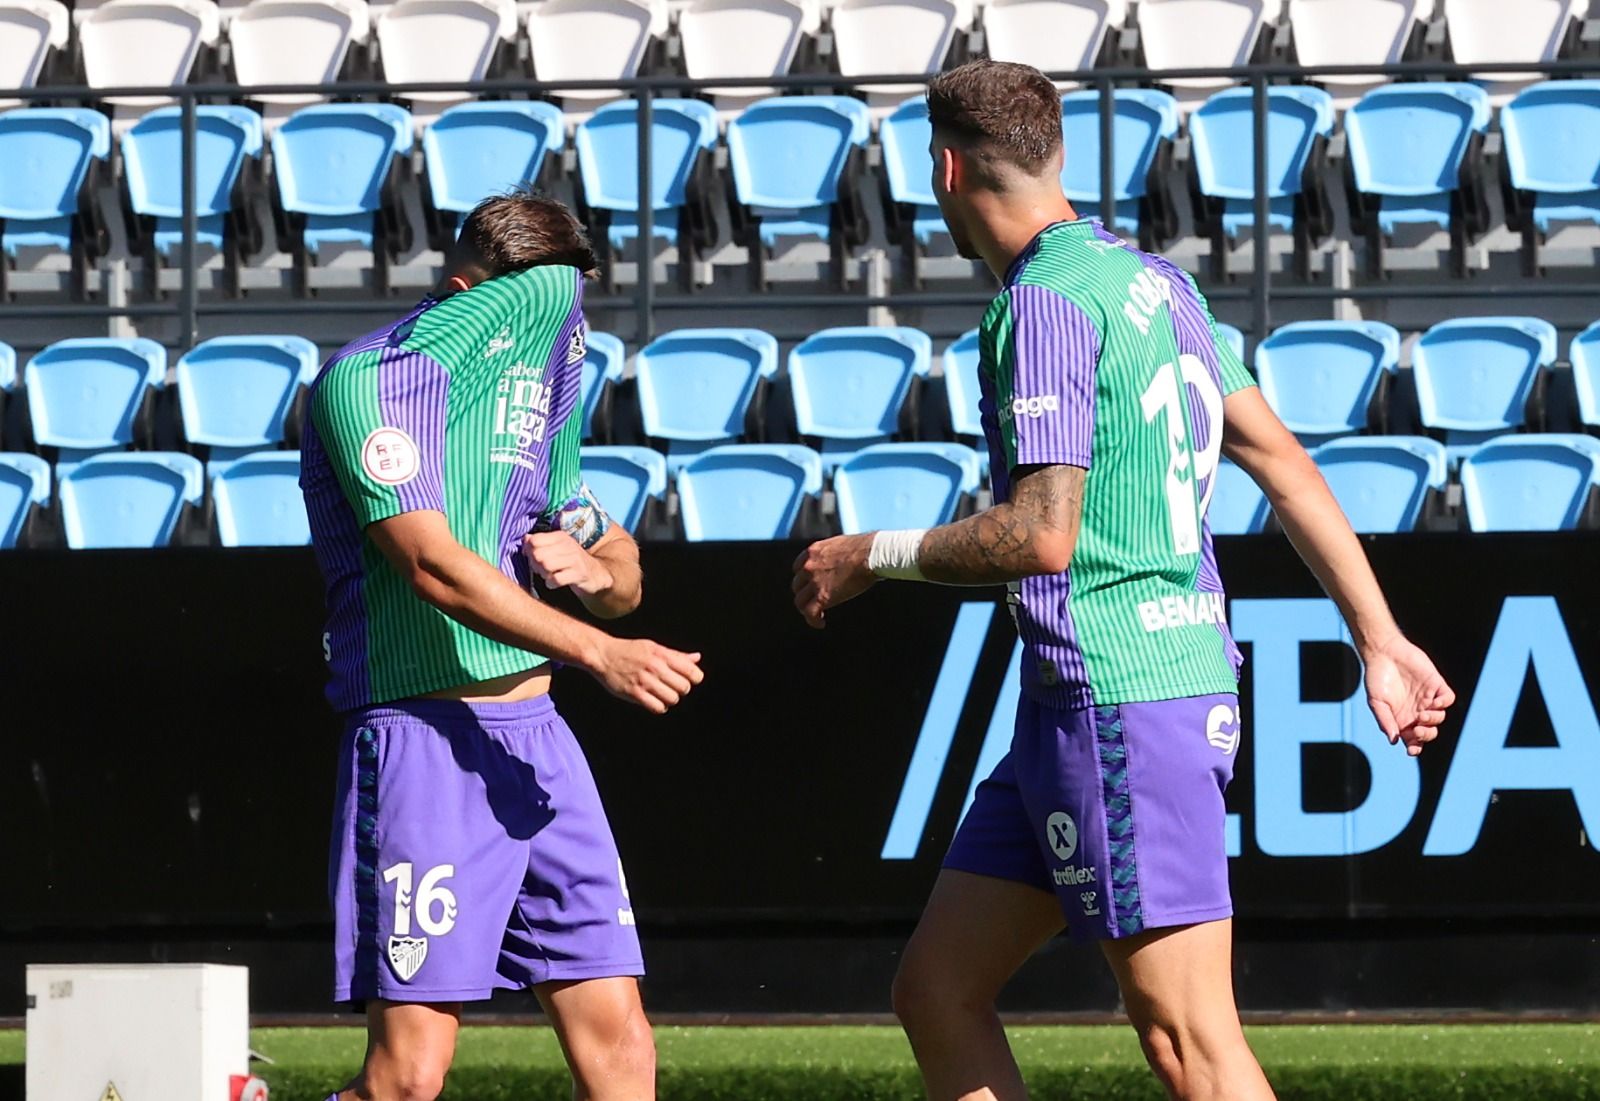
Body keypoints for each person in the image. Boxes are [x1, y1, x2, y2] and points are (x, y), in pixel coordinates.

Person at [792, 60, 1455, 1101]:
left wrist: (869, 554)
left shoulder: (1044, 304)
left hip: (1118, 695)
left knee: (1188, 1039)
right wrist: (1379, 636)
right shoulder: (1155, 283)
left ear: (947, 166)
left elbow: (1040, 537)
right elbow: (1282, 461)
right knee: (937, 987)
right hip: (1097, 696)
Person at [301, 189, 703, 1101]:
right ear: (462, 291)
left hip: (541, 743)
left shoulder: (532, 401)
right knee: (406, 1077)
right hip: (423, 740)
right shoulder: (368, 384)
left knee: (622, 1043)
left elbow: (614, 550)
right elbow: (433, 568)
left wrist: (605, 572)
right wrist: (601, 653)